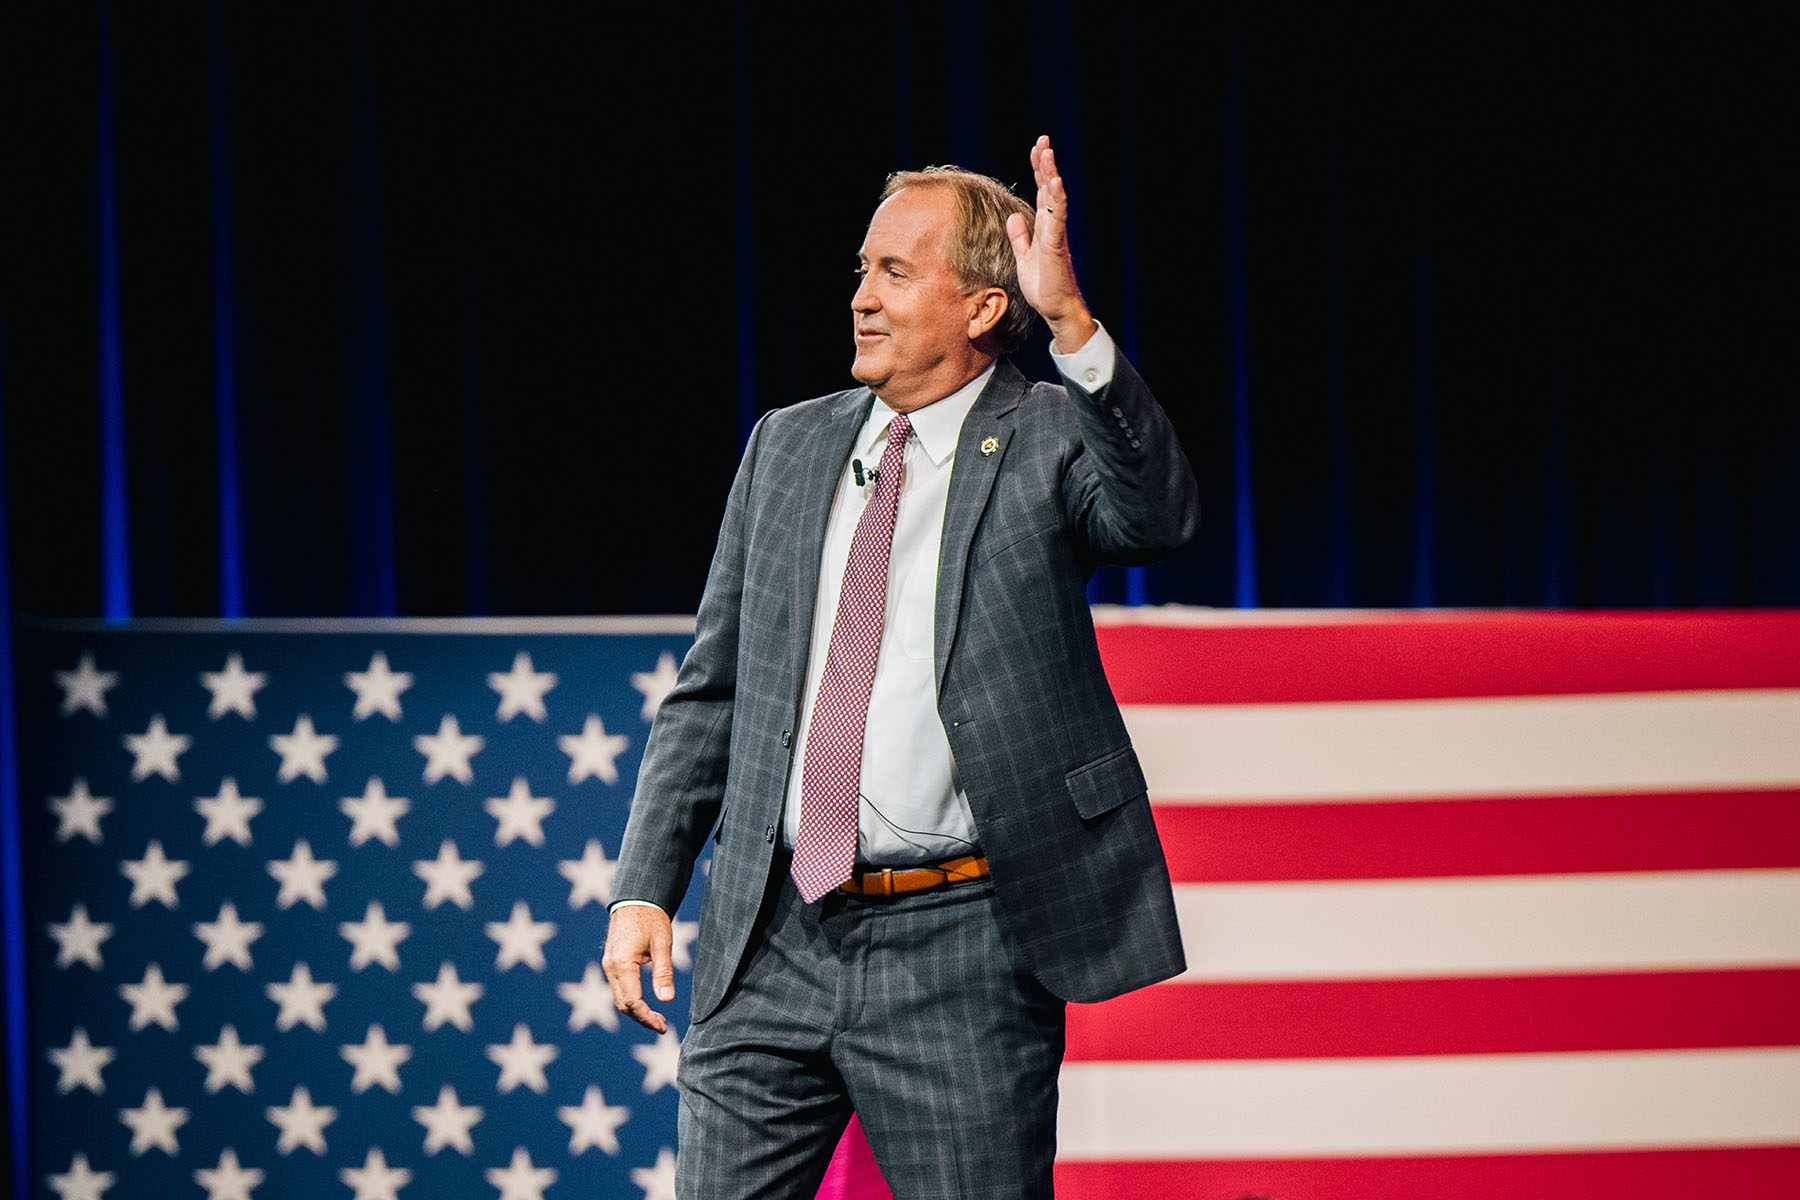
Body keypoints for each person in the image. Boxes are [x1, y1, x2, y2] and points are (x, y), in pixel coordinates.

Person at [603, 135, 1198, 1198]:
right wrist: (644, 887)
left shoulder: (1049, 435)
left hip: (964, 947)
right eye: (860, 270)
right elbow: (712, 688)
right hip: (771, 934)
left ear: (980, 308)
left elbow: (1157, 516)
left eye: (893, 272)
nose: (861, 298)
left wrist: (1072, 323)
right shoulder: (784, 446)